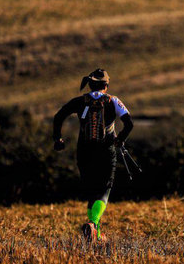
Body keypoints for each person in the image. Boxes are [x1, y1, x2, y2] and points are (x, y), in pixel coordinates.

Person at [53, 68, 134, 242]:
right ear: (106, 85)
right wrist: (120, 139)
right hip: (106, 150)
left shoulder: (79, 101)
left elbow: (58, 116)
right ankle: (93, 223)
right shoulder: (114, 101)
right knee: (104, 191)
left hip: (84, 150)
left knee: (91, 190)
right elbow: (129, 124)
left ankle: (95, 232)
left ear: (89, 84)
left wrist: (58, 139)